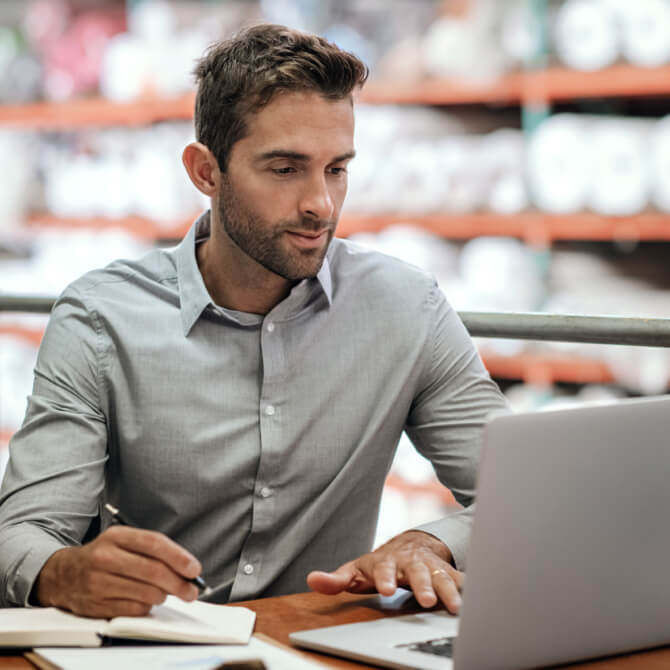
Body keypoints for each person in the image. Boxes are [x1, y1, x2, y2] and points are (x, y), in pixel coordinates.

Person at [0, 24, 507, 617]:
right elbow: (22, 534)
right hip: (148, 652)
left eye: (337, 169)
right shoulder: (101, 320)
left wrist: (432, 543)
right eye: (286, 169)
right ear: (205, 172)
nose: (321, 203)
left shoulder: (406, 308)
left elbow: (522, 495)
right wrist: (64, 573)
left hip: (318, 645)